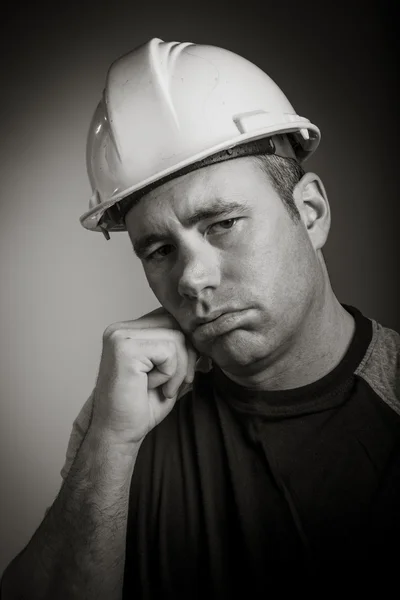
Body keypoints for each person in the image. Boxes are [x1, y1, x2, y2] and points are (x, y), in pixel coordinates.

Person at [2, 37, 400, 599]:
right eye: (159, 250)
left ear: (309, 214)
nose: (192, 279)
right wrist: (111, 445)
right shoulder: (128, 418)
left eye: (222, 224)